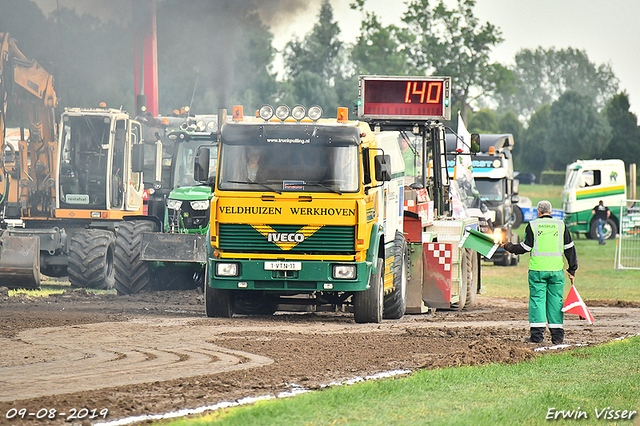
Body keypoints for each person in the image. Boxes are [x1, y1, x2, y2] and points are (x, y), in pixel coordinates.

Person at [502, 200, 578, 344]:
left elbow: (524, 248)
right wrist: (572, 269)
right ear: (550, 212)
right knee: (556, 301)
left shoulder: (533, 225)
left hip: (537, 271)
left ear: (538, 211)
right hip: (556, 271)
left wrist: (509, 246)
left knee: (537, 301)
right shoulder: (561, 225)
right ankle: (557, 337)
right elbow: (569, 248)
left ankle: (537, 337)